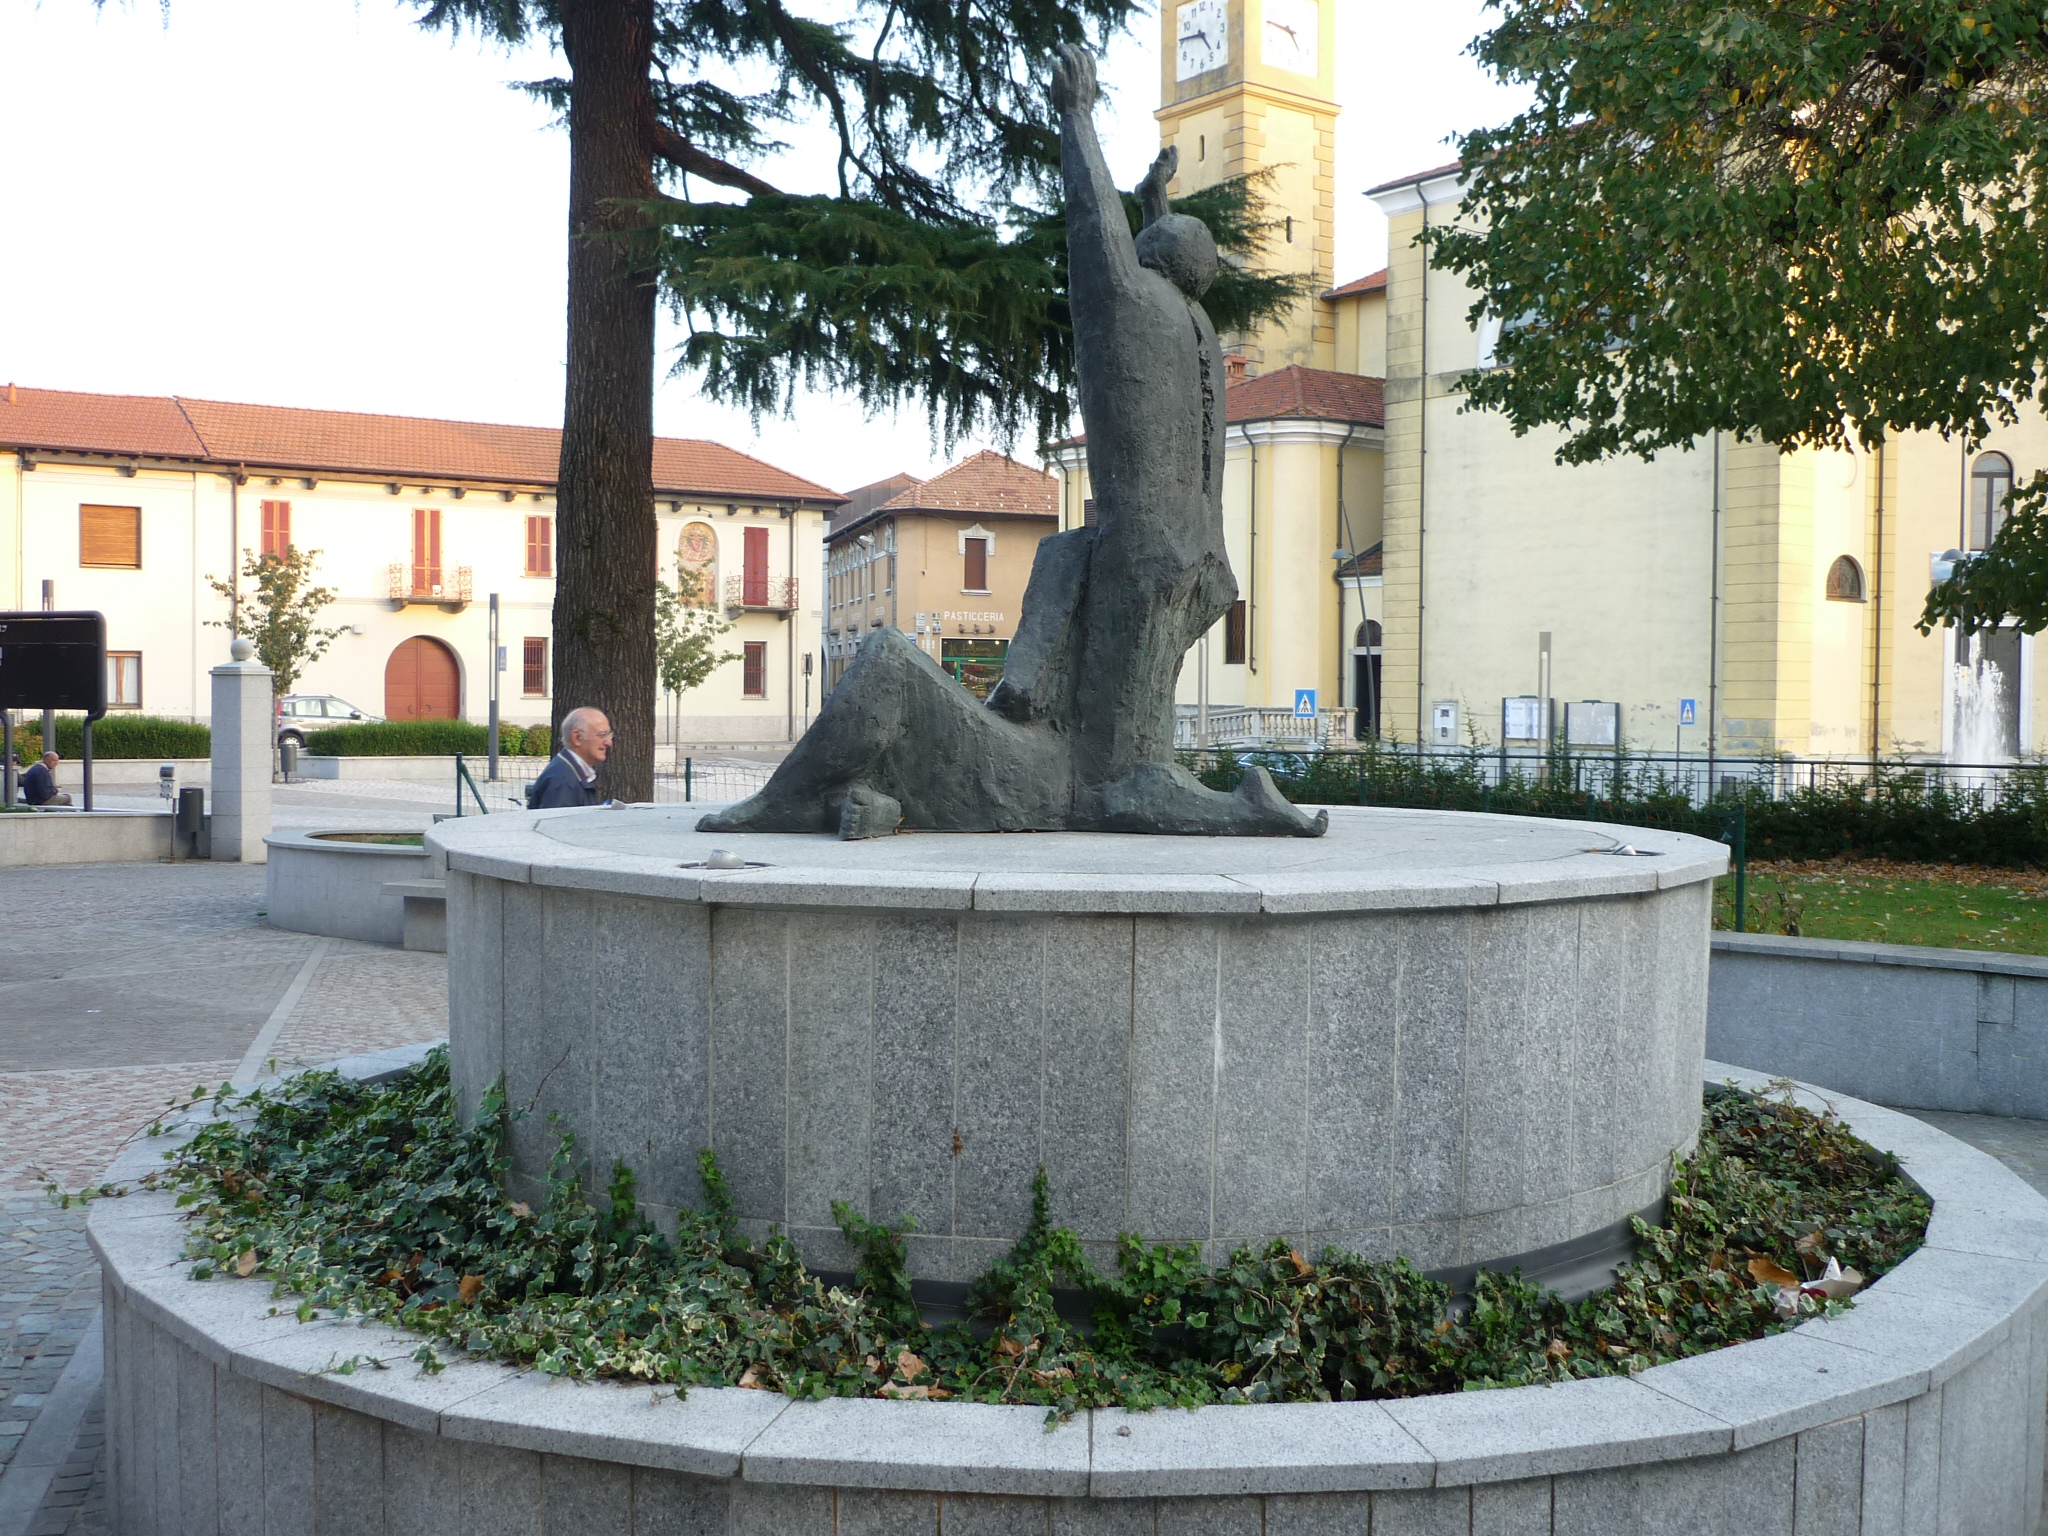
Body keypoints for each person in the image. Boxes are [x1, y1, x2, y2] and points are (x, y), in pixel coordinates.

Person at [525, 708, 610, 809]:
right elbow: (558, 823)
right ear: (577, 738)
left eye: (609, 735)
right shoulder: (564, 781)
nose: (609, 742)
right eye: (602, 735)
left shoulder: (568, 772)